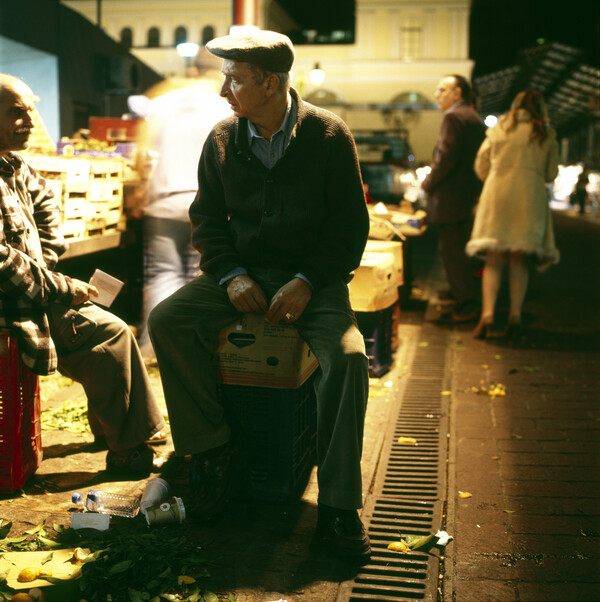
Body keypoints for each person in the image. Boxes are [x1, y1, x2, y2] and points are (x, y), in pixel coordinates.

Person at [148, 30, 371, 559]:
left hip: (312, 282)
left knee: (347, 359)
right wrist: (231, 275)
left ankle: (339, 508)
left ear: (269, 83)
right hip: (244, 276)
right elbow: (206, 219)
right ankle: (212, 449)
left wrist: (308, 281)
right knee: (168, 321)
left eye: (235, 79)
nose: (225, 90)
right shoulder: (223, 137)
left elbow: (348, 227)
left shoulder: (329, 134)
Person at [0, 74, 165, 473]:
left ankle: (127, 431)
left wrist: (48, 256)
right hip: (10, 308)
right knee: (109, 335)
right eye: (15, 113)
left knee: (109, 326)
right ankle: (129, 448)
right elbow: (3, 262)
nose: (30, 120)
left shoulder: (13, 164)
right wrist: (60, 287)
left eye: (31, 110)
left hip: (29, 294)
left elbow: (45, 202)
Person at [131, 51, 231, 357]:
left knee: (162, 274)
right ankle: (190, 348)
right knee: (197, 277)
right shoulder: (222, 106)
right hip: (204, 204)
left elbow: (141, 151)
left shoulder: (164, 102)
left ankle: (155, 346)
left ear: (191, 69)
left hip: (162, 201)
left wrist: (138, 188)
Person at [466, 89, 560, 339]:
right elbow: (551, 174)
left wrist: (496, 177)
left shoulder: (498, 130)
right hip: (529, 199)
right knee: (519, 260)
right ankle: (515, 315)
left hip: (497, 196)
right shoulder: (546, 134)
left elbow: (480, 165)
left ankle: (487, 315)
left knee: (493, 259)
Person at [421, 74, 486, 322]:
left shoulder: (453, 117)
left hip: (450, 198)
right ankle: (461, 294)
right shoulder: (472, 117)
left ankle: (465, 304)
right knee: (460, 251)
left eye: (442, 89)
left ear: (458, 92)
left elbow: (445, 158)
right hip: (466, 196)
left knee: (453, 252)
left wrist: (427, 184)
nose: (437, 95)